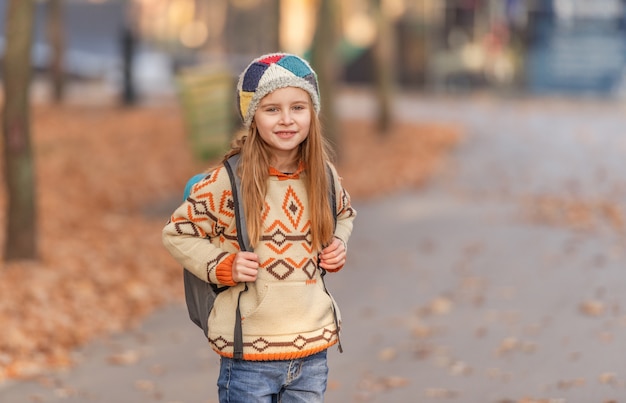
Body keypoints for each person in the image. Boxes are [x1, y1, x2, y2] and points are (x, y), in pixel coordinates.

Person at [162, 52, 356, 402]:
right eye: (271, 109)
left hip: (312, 351)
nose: (286, 120)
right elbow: (178, 232)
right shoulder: (228, 181)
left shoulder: (323, 176)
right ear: (253, 117)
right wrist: (224, 265)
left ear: (313, 112)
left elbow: (345, 214)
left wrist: (338, 243)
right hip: (249, 355)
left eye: (298, 107)